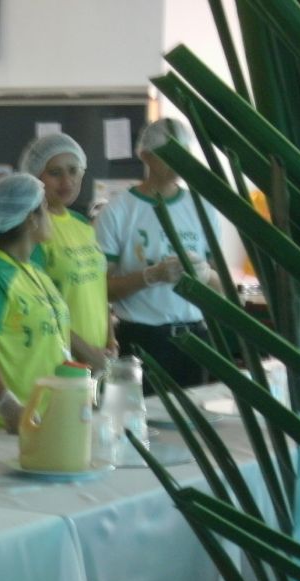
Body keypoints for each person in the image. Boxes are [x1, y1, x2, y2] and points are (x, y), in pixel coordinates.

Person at [95, 117, 222, 392]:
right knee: (143, 415)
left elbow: (223, 289)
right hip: (141, 338)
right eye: (169, 154)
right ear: (146, 156)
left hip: (194, 337)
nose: (178, 162)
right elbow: (99, 290)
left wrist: (205, 275)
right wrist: (150, 276)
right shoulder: (118, 211)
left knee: (194, 415)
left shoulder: (202, 208)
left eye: (184, 154)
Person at [0, 174, 72, 436]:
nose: (50, 216)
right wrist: (8, 407)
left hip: (41, 421)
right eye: (45, 208)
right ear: (31, 219)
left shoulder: (34, 271)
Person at [19, 133, 118, 372]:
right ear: (35, 176)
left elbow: (98, 287)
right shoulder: (32, 230)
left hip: (98, 357)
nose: (67, 181)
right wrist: (85, 352)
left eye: (73, 170)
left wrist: (110, 338)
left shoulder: (83, 224)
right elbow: (39, 306)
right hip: (58, 361)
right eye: (55, 173)